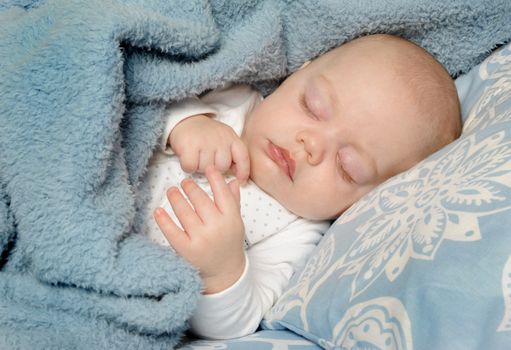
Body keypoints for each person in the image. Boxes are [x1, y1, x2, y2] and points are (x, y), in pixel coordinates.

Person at [142, 34, 461, 339]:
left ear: (362, 202)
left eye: (345, 166)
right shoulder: (229, 99)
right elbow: (143, 87)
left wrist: (222, 270)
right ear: (297, 74)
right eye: (312, 106)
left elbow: (235, 323)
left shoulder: (295, 235)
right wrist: (186, 123)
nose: (311, 144)